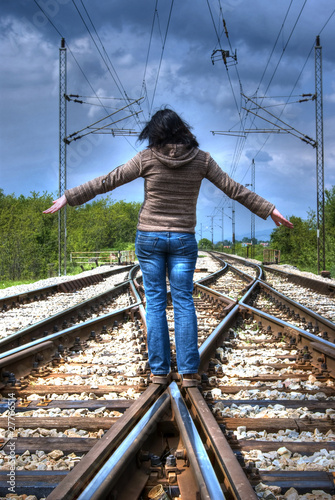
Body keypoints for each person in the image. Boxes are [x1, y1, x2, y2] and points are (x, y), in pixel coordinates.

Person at [43, 107, 293, 387]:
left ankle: (159, 372)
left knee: (156, 302)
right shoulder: (202, 160)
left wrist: (69, 196)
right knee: (184, 301)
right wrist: (269, 209)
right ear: (182, 129)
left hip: (149, 238)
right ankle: (188, 372)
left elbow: (107, 181)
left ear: (156, 133)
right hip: (183, 238)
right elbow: (233, 188)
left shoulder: (146, 158)